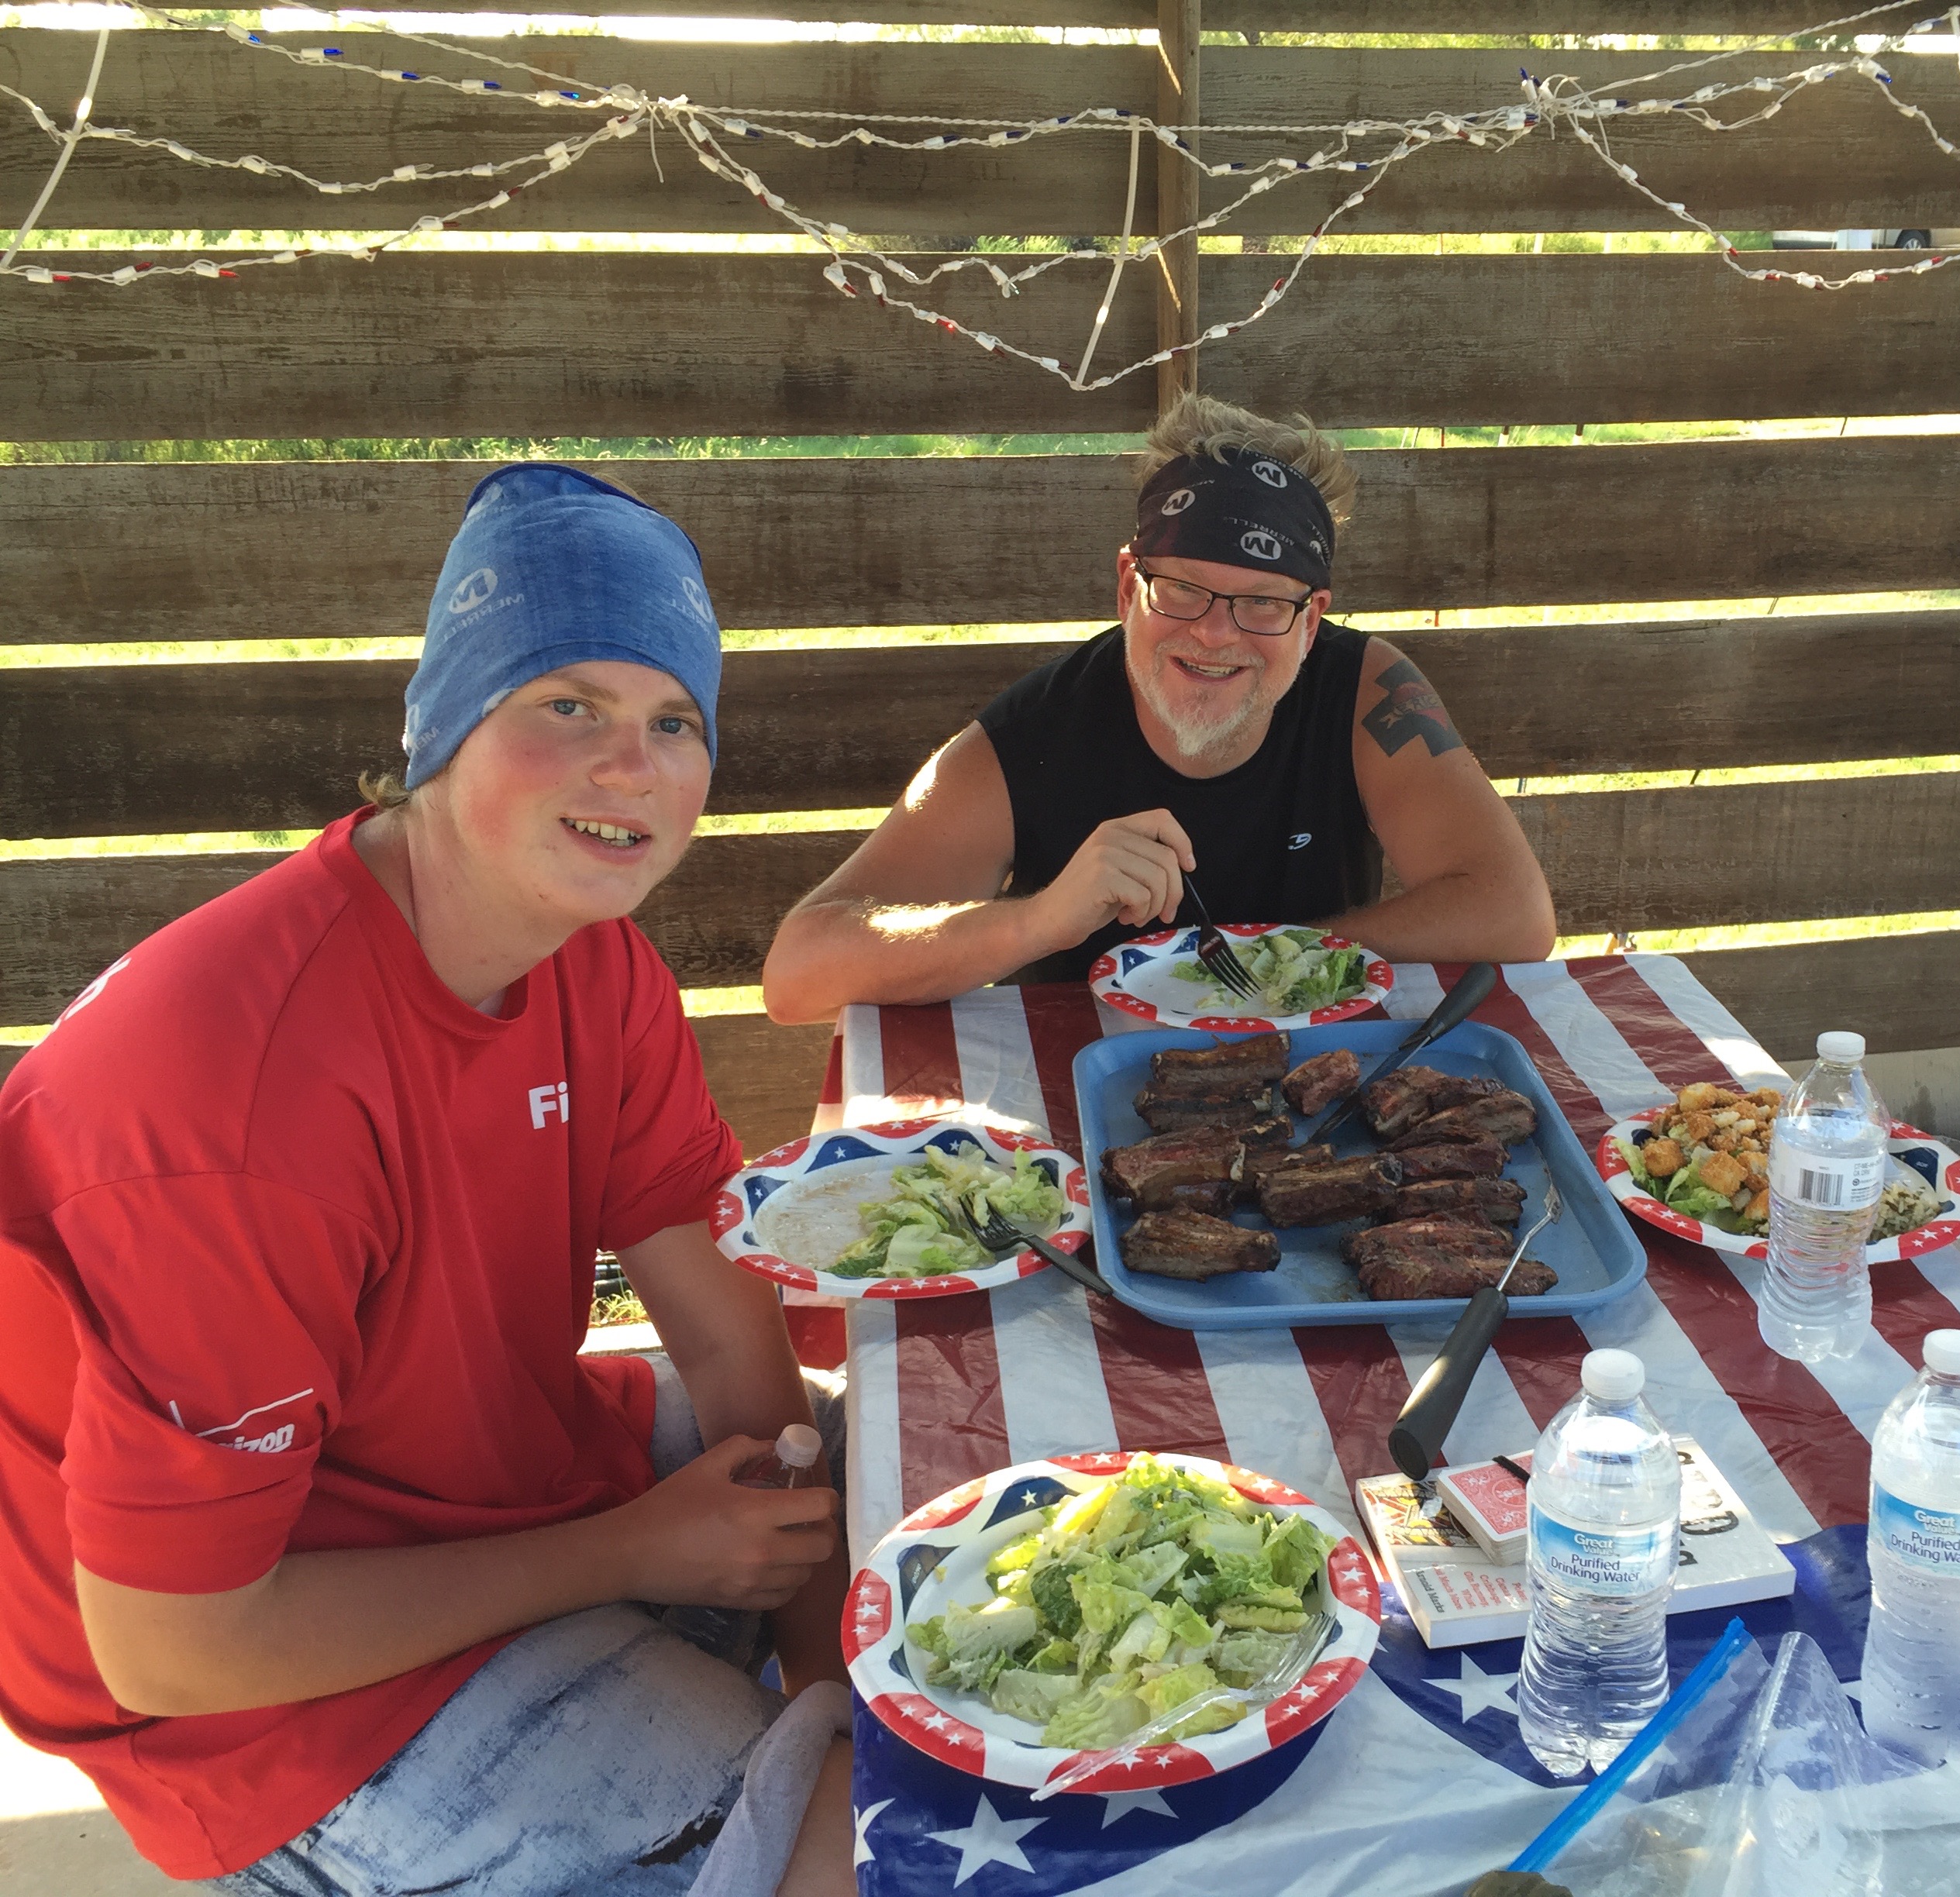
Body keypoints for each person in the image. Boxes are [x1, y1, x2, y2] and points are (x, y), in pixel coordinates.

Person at [0, 466, 859, 1894]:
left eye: (672, 721)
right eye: (565, 705)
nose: (630, 766)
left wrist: (833, 1672)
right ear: (444, 725)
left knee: (879, 1467)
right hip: (243, 1689)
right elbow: (178, 1643)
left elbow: (723, 1329)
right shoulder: (238, 1109)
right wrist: (632, 1550)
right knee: (853, 1855)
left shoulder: (594, 955)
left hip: (477, 1482)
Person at [760, 394, 1557, 1016]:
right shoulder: (1034, 736)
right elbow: (799, 975)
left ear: (1311, 619)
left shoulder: (1367, 691)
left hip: (1319, 1086)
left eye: (1263, 604)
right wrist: (1039, 921)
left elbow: (1515, 913)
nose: (1216, 634)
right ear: (1126, 588)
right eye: (1180, 589)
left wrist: (1276, 957)